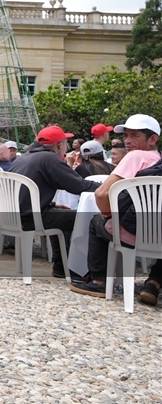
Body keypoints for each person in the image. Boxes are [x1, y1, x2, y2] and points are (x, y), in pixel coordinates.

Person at [70, 114, 162, 301]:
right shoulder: (158, 159)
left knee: (97, 222)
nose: (127, 141)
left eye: (135, 136)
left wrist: (107, 215)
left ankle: (98, 282)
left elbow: (102, 194)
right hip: (159, 234)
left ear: (152, 139)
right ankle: (153, 282)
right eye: (126, 136)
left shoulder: (136, 157)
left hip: (134, 233)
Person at [9, 125, 102, 277]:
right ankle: (84, 269)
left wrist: (51, 204)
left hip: (12, 216)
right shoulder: (49, 158)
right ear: (59, 144)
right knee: (91, 218)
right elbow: (77, 185)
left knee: (60, 215)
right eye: (66, 142)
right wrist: (104, 187)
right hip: (31, 217)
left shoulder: (23, 158)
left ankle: (61, 265)